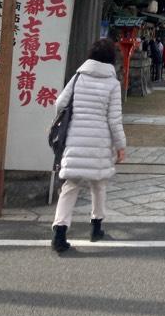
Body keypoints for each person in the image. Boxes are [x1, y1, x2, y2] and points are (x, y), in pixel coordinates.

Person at [50, 38, 126, 253]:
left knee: (70, 185)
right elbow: (114, 120)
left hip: (75, 137)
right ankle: (96, 228)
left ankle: (59, 232)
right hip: (100, 140)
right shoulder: (113, 84)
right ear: (112, 58)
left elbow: (60, 104)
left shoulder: (78, 78)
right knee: (99, 184)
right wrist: (121, 146)